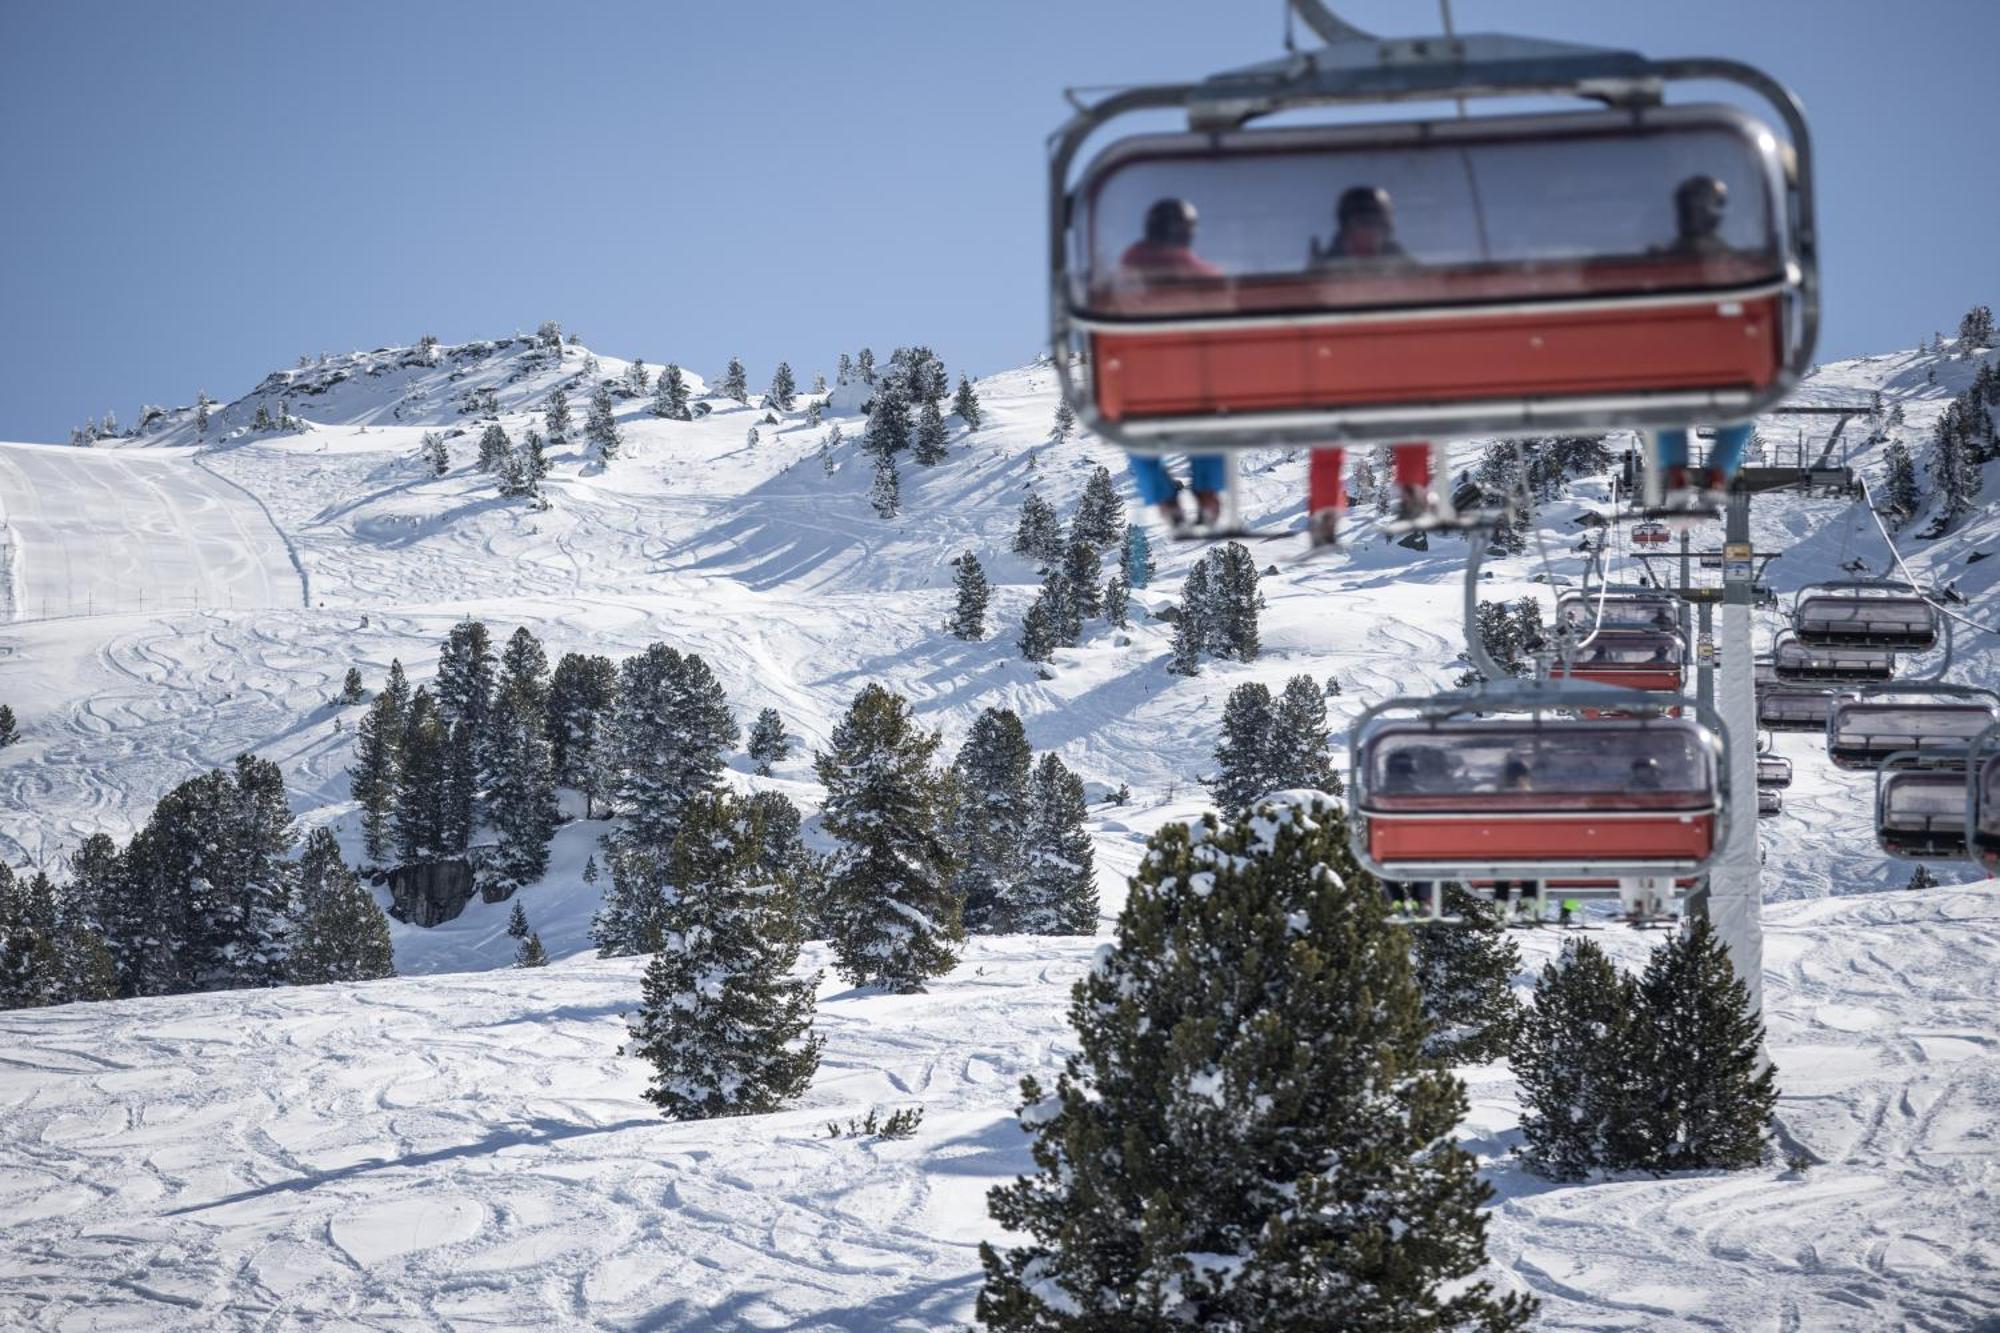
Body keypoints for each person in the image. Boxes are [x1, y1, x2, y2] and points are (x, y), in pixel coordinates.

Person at [1302, 186, 1447, 545]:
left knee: (1327, 442)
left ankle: (1324, 510)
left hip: (1340, 364)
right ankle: (1413, 487)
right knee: (1411, 426)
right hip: (1388, 363)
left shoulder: (1328, 261)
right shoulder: (1397, 259)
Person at [1118, 199, 1227, 531]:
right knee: (1207, 429)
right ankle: (1206, 492)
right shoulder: (1197, 272)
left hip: (1143, 380)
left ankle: (1165, 499)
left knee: (1138, 439)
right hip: (1192, 375)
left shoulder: (1129, 269)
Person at [1647, 176, 1753, 509]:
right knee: (1739, 414)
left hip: (1673, 355)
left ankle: (1678, 469)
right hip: (1719, 355)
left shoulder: (1661, 259)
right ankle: (1719, 471)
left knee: (1667, 410)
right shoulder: (1731, 261)